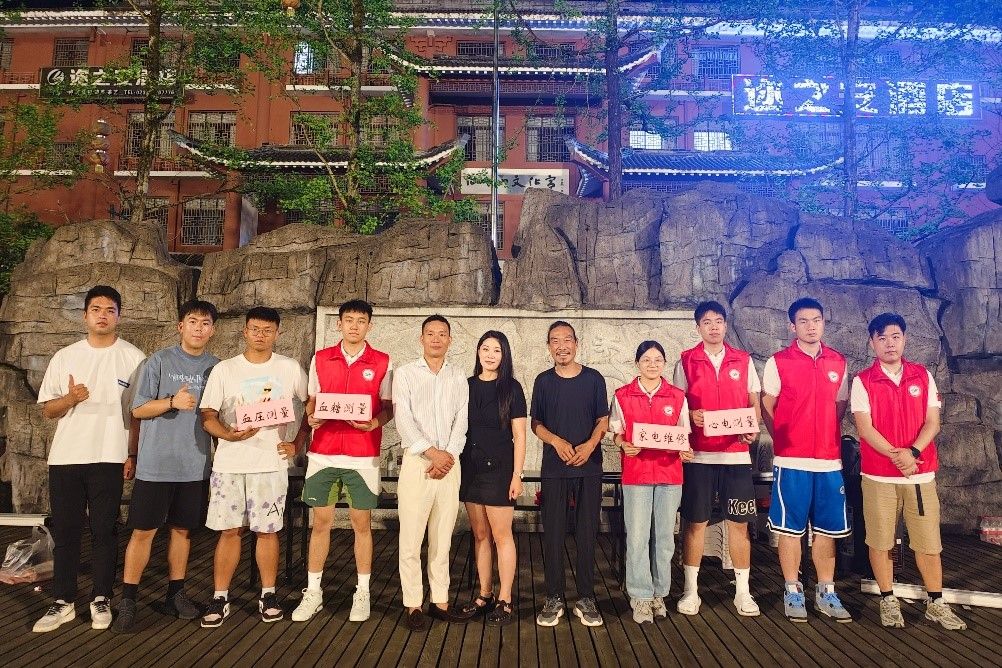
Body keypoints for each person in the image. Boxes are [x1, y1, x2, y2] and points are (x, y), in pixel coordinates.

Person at [33, 285, 146, 633]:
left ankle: (101, 597)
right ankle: (63, 601)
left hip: (110, 456)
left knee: (104, 530)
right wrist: (70, 399)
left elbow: (139, 414)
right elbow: (48, 410)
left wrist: (132, 453)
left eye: (110, 310)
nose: (102, 315)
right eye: (96, 309)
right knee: (66, 530)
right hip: (67, 456)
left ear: (119, 316)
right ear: (84, 315)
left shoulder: (134, 358)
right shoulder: (65, 357)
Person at [851, 313, 966, 631]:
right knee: (880, 541)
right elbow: (865, 428)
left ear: (904, 339)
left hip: (920, 475)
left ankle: (936, 602)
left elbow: (933, 422)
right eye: (882, 338)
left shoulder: (922, 376)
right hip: (878, 477)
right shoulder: (862, 381)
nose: (889, 343)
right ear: (872, 342)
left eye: (895, 336)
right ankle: (888, 599)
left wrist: (912, 453)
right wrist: (897, 456)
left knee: (929, 542)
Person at [112, 300, 220, 633]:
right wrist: (173, 402)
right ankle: (128, 599)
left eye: (205, 323)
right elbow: (138, 410)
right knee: (143, 531)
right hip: (156, 465)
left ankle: (175, 594)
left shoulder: (218, 368)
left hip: (195, 466)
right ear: (180, 326)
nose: (198, 328)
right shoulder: (158, 361)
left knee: (182, 531)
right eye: (193, 321)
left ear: (213, 330)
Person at [198, 306, 309, 627]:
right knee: (229, 530)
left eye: (267, 330)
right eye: (255, 329)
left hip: (270, 463)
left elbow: (312, 405)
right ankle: (220, 596)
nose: (260, 335)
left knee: (267, 530)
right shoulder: (225, 369)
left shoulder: (289, 368)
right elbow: (207, 416)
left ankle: (268, 594)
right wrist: (228, 435)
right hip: (229, 464)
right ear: (245, 331)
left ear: (277, 333)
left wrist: (297, 443)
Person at [291, 299, 393, 623]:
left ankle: (362, 593)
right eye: (349, 320)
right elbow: (312, 402)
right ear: (339, 324)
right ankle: (313, 592)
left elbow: (388, 407)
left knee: (361, 524)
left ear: (369, 326)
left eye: (361, 321)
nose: (354, 326)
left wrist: (373, 424)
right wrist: (312, 417)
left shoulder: (382, 361)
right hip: (323, 452)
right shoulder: (321, 358)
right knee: (320, 523)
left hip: (363, 456)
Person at [761, 297, 851, 623]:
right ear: (792, 326)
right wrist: (785, 440)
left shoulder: (838, 362)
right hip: (792, 461)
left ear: (824, 322)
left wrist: (824, 434)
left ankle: (826, 591)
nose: (811, 326)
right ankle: (792, 589)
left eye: (816, 320)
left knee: (827, 530)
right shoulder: (778, 362)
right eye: (803, 321)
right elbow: (767, 404)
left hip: (828, 461)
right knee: (790, 529)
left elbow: (839, 405)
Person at [673, 301, 762, 618]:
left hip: (735, 456)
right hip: (699, 456)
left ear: (725, 324)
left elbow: (754, 402)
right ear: (698, 327)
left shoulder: (743, 360)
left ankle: (743, 592)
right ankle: (691, 590)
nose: (713, 327)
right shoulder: (686, 360)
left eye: (719, 321)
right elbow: (677, 405)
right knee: (695, 523)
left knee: (739, 525)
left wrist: (752, 428)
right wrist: (690, 416)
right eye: (707, 322)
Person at [393, 314, 471, 631]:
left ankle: (440, 601)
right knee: (411, 538)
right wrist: (431, 453)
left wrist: (448, 455)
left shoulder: (458, 375)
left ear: (450, 340)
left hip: (450, 464)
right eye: (430, 333)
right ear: (421, 338)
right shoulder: (405, 374)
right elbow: (403, 419)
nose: (436, 338)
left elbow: (462, 420)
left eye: (442, 334)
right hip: (417, 462)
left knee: (442, 538)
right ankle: (413, 604)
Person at [532, 321, 609, 628]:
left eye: (567, 340)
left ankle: (586, 597)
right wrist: (556, 441)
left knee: (587, 533)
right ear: (549, 346)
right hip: (555, 468)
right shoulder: (543, 381)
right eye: (555, 341)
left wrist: (590, 445)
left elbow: (603, 419)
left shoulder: (594, 379)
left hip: (589, 467)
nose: (561, 346)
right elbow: (536, 423)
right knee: (552, 534)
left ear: (576, 343)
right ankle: (554, 596)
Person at [610, 340, 693, 624]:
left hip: (670, 475)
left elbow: (683, 435)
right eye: (646, 359)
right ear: (637, 363)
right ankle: (640, 596)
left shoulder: (678, 397)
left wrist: (685, 450)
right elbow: (617, 433)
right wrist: (623, 444)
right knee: (637, 537)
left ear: (664, 363)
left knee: (665, 538)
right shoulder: (622, 395)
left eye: (658, 359)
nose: (652, 364)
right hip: (637, 475)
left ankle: (660, 593)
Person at [458, 331, 527, 627]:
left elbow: (520, 436)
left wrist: (516, 475)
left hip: (500, 470)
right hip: (470, 469)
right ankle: (484, 594)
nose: (490, 355)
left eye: (496, 350)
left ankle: (505, 598)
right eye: (485, 348)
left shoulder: (512, 388)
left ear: (504, 355)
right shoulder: (466, 385)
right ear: (477, 352)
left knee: (502, 535)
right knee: (480, 535)